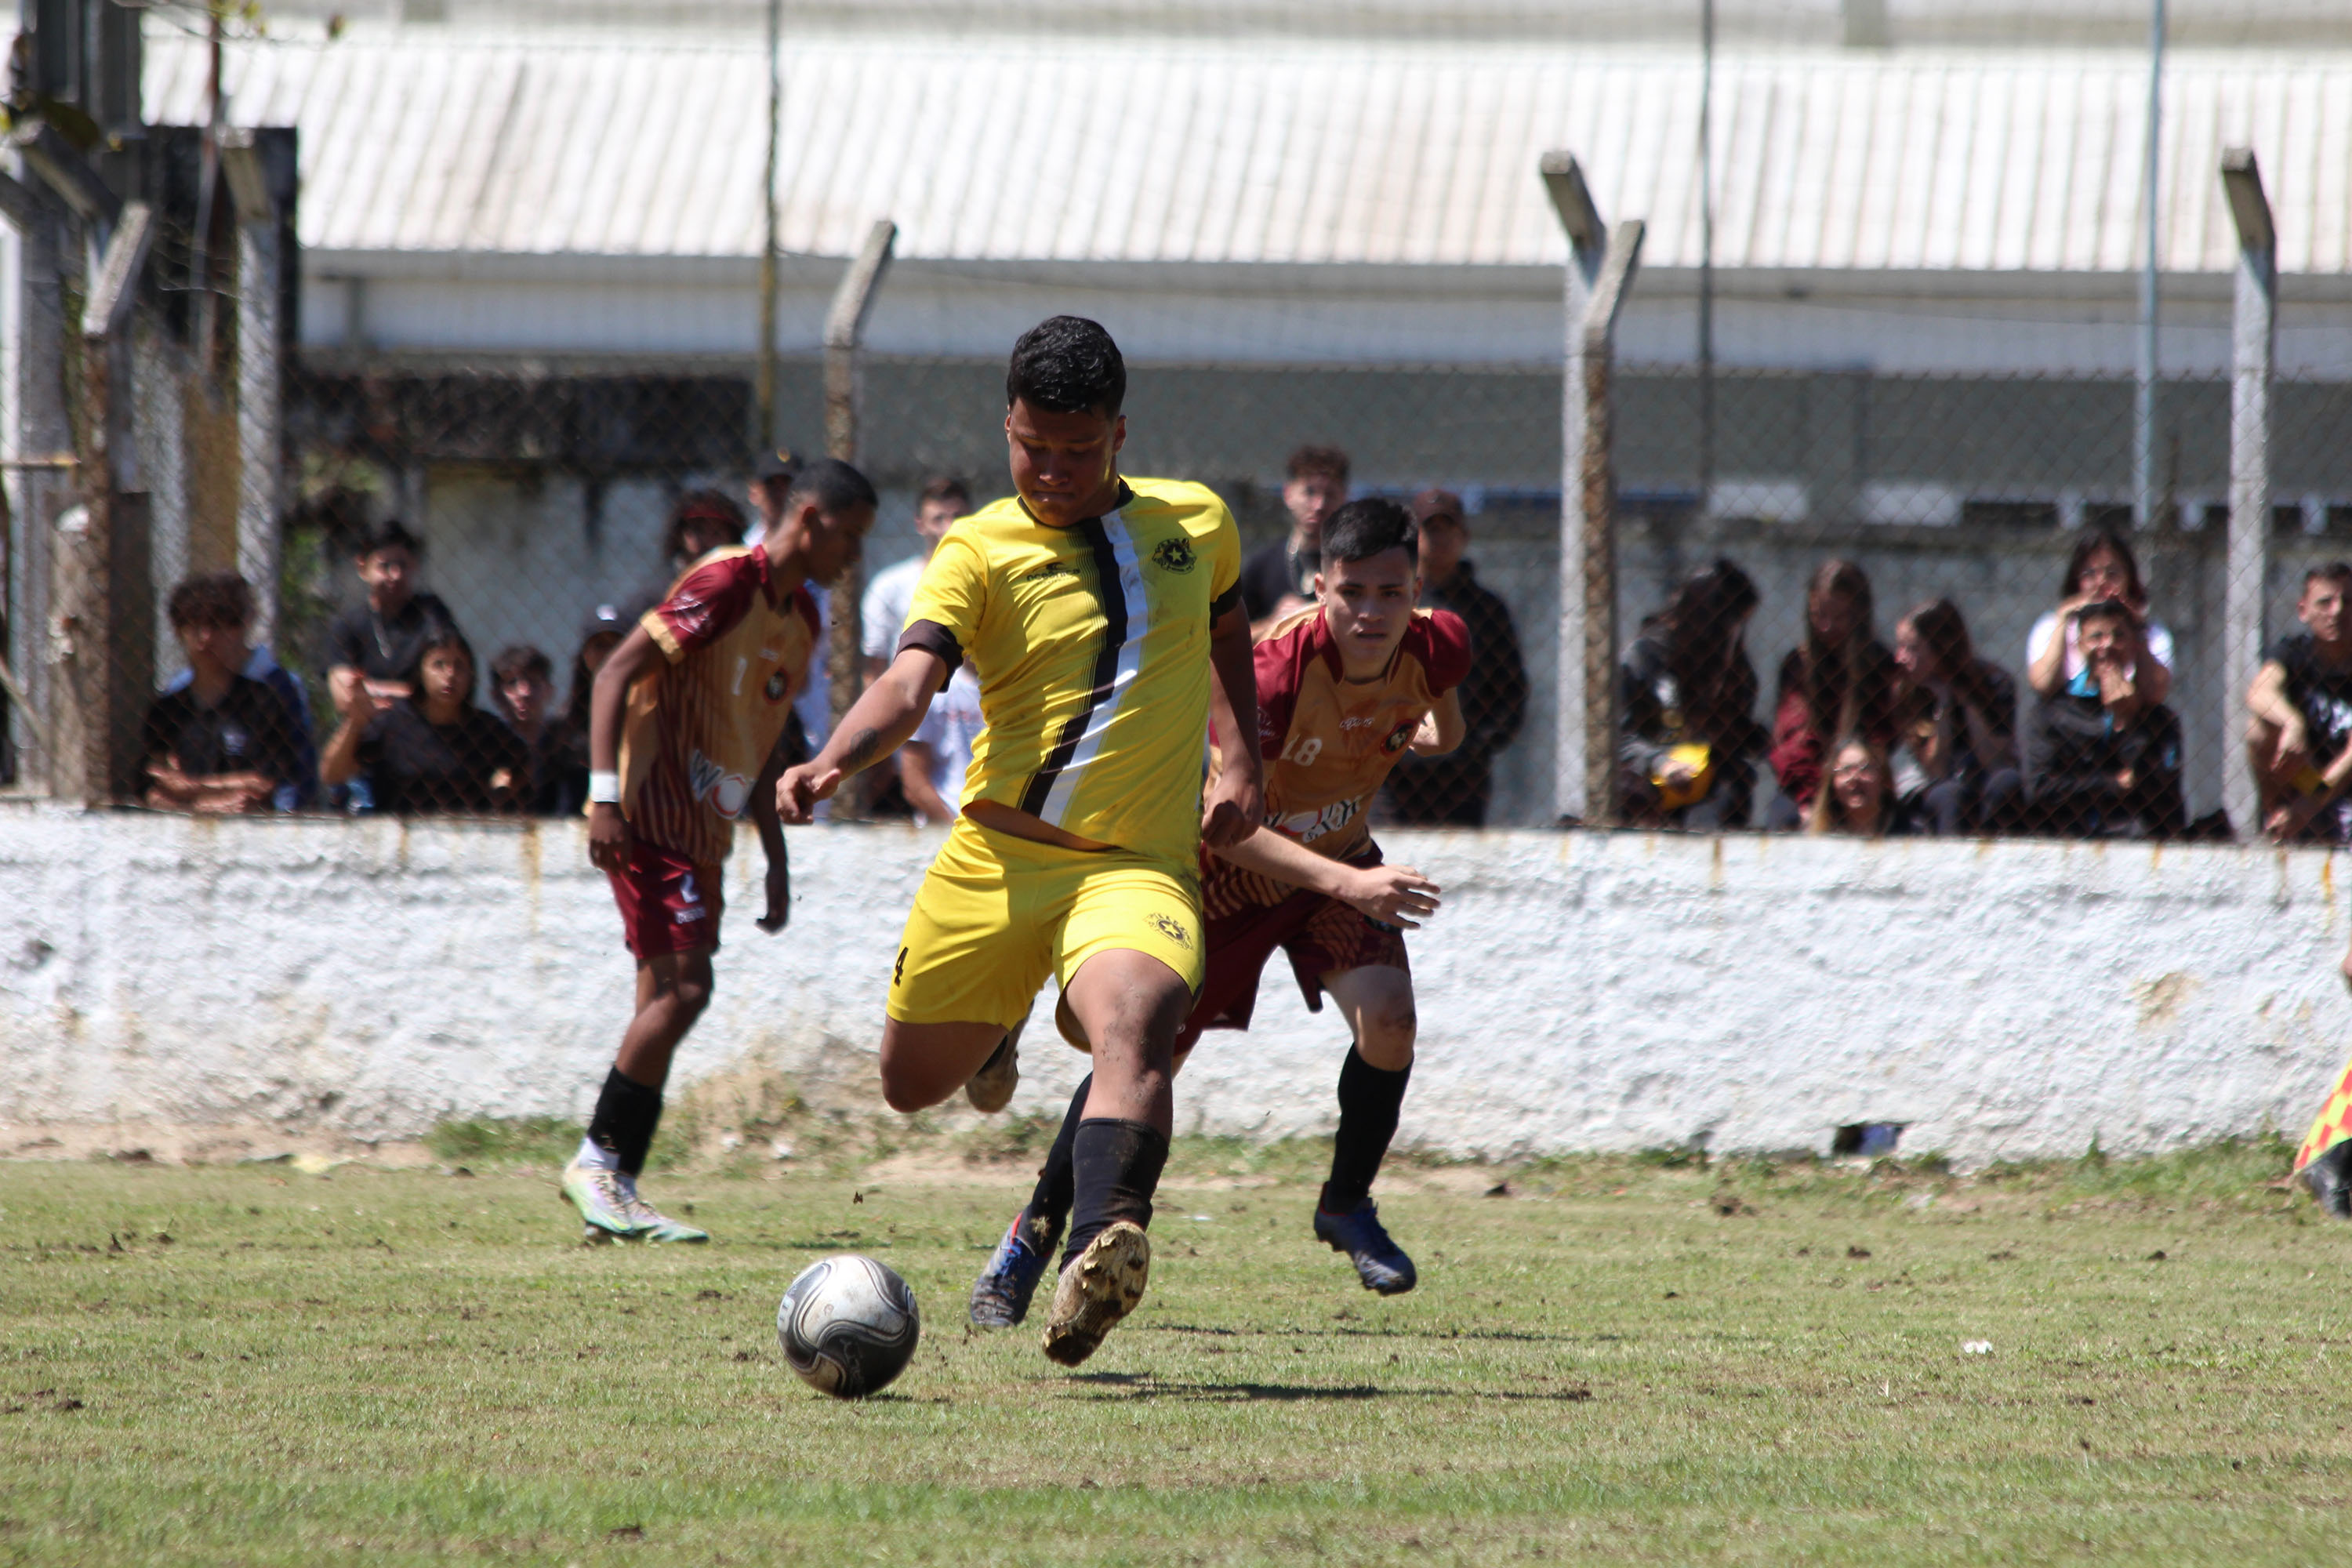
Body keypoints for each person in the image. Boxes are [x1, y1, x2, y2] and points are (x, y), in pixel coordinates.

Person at [775, 317, 1263, 1367]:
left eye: (1077, 451)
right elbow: (908, 684)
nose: (1049, 470)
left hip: (1136, 866)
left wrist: (1244, 760)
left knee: (1136, 1025)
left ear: (1121, 434)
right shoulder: (979, 549)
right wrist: (832, 760)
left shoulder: (1199, 525)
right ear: (1007, 422)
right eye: (1030, 445)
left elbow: (1226, 629)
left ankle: (1099, 1251)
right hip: (996, 858)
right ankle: (998, 1026)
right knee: (909, 1084)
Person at [971, 498, 1465, 1327]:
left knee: (1391, 1021)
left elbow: (1443, 731)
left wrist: (1408, 733)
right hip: (1228, 876)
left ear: (1417, 588)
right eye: (1352, 592)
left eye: (1391, 591)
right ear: (1320, 588)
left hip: (1338, 864)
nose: (1372, 611)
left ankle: (1346, 1204)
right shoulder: (1273, 669)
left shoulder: (1439, 641)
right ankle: (1035, 1230)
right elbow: (1226, 825)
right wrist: (1348, 883)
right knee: (1139, 1062)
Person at [561, 456, 877, 1245]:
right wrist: (604, 795)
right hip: (650, 816)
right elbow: (617, 674)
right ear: (809, 520)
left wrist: (772, 852)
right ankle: (598, 1162)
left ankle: (616, 1192)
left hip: (704, 833)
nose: (853, 557)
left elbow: (760, 740)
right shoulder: (726, 582)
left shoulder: (799, 619)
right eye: (849, 535)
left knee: (659, 1001)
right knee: (687, 989)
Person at [1379, 488, 1529, 827]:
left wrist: (1476, 747)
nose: (1440, 538)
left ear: (1464, 536)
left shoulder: (1487, 609)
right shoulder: (1387, 602)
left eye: (1448, 528)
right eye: (1429, 529)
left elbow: (1511, 690)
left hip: (1463, 777)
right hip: (1391, 771)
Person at [1617, 559, 1766, 829]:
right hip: (1650, 783)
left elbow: (1737, 736)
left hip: (1706, 786)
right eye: (1732, 624)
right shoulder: (1644, 656)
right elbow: (1618, 739)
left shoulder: (1735, 669)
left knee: (1736, 782)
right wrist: (1660, 762)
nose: (1737, 635)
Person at [141, 573, 306, 815]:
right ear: (179, 631)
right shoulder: (167, 708)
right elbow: (152, 790)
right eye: (195, 626)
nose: (205, 639)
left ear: (238, 631)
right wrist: (208, 804)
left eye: (216, 626)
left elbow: (263, 784)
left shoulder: (266, 700)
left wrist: (190, 787)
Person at [319, 629, 528, 815]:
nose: (450, 675)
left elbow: (524, 766)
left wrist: (502, 791)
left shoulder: (485, 730)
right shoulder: (392, 722)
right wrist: (354, 723)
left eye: (460, 666)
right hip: (399, 840)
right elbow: (332, 773)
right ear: (419, 671)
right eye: (439, 664)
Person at [2023, 599, 2185, 838]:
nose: (2107, 645)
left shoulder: (2160, 719)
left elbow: (2163, 798)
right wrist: (2112, 784)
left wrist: (2126, 723)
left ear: (2133, 645)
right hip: (2064, 836)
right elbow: (2041, 788)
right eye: (2095, 637)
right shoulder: (2052, 713)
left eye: (2119, 636)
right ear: (2079, 645)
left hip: (2135, 839)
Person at [1766, 560, 1900, 829]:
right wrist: (1811, 798)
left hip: (1866, 785)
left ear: (1859, 614)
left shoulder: (1881, 665)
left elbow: (1882, 738)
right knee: (1781, 818)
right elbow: (1792, 740)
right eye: (1818, 616)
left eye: (1839, 617)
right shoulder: (1798, 665)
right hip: (1809, 785)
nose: (1826, 627)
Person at [1889, 599, 2022, 836]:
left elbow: (1995, 761)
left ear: (1940, 648)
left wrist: (1967, 699)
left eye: (1912, 648)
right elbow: (1936, 771)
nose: (1900, 657)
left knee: (2006, 782)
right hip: (1938, 791)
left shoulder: (1996, 682)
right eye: (1900, 646)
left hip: (1985, 783)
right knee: (1949, 794)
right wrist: (1944, 706)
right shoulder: (1908, 692)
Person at [2246, 564, 2352, 844]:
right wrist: (2293, 723)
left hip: (2340, 787)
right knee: (2259, 730)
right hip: (2306, 778)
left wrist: (2304, 810)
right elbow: (2259, 692)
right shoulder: (2293, 653)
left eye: (2347, 601)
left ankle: (2294, 821)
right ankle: (2275, 817)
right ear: (2303, 610)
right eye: (2325, 602)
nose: (2337, 611)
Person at [322, 520, 459, 719]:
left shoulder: (431, 613)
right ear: (363, 567)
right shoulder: (347, 625)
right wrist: (410, 692)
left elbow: (446, 686)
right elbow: (344, 696)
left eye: (402, 565)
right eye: (385, 566)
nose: (395, 575)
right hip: (369, 731)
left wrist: (372, 688)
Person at [2026, 527, 2174, 704]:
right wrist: (2063, 620)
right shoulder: (2051, 626)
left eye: (2113, 574)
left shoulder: (2152, 633)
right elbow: (2044, 683)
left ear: (2130, 579)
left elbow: (2154, 694)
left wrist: (2137, 630)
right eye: (2089, 574)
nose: (2101, 582)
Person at [862, 477, 975, 686]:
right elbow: (874, 668)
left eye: (958, 517)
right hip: (915, 708)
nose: (949, 527)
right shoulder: (889, 585)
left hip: (978, 712)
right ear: (920, 524)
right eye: (938, 519)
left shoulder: (991, 583)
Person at [1240, 445, 1348, 637]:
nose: (1319, 505)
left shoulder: (1354, 563)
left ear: (1344, 498)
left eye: (1330, 495)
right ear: (1288, 494)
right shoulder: (1264, 564)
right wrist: (1277, 623)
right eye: (1310, 492)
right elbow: (1229, 639)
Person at [489, 644, 582, 816]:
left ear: (549, 690)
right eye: (512, 683)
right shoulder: (489, 743)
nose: (524, 692)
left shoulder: (565, 744)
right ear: (495, 694)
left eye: (533, 682)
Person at [1806, 735, 1908, 837]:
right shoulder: (1819, 838)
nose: (1855, 778)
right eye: (1846, 770)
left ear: (1883, 778)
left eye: (1864, 768)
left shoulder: (1909, 829)